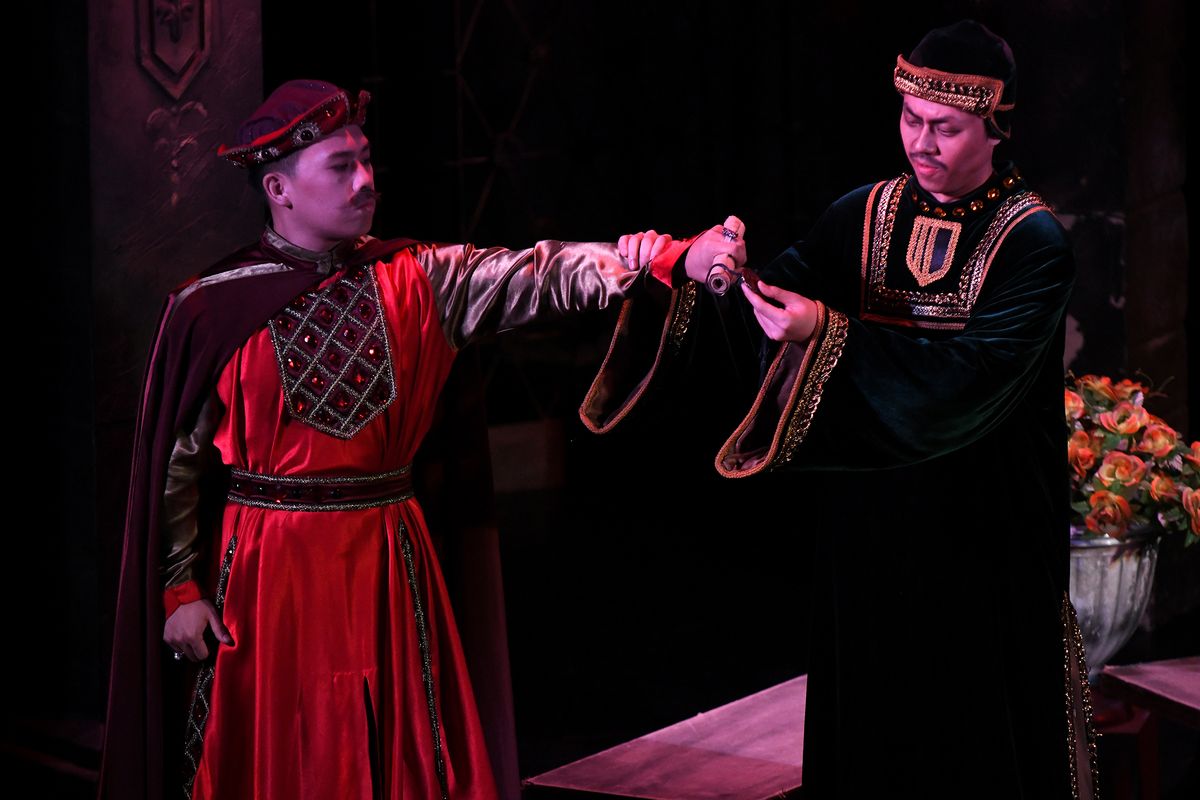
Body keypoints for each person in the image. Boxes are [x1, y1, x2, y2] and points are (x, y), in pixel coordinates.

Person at [98, 78, 742, 800]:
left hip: (385, 556)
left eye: (366, 159)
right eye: (341, 167)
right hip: (268, 573)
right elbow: (177, 462)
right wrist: (179, 588)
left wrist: (667, 257)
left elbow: (541, 273)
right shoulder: (211, 308)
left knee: (399, 752)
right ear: (278, 189)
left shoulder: (420, 277)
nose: (365, 180)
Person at [584, 21, 1098, 798]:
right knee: (871, 726)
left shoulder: (1033, 243)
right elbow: (769, 310)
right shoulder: (862, 214)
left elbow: (967, 382)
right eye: (910, 119)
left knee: (975, 738)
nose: (921, 143)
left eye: (946, 128)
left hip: (983, 537)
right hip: (870, 533)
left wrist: (824, 332)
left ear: (996, 127)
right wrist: (708, 268)